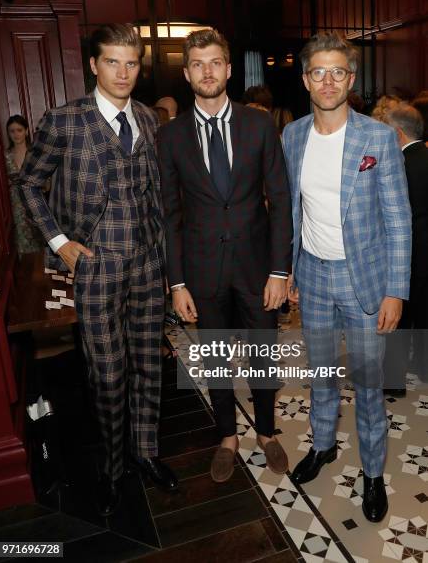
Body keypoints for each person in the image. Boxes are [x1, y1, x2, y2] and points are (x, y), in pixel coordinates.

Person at [20, 23, 177, 517]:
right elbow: (28, 184)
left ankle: (146, 452)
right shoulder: (63, 121)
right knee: (108, 375)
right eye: (113, 61)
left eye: (131, 63)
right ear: (93, 65)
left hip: (148, 263)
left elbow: (153, 195)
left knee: (149, 365)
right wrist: (60, 241)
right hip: (95, 265)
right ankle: (112, 470)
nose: (124, 72)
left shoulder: (150, 119)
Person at [283, 32, 411, 523]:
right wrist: (291, 268)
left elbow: (399, 219)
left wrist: (395, 291)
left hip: (365, 282)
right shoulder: (292, 136)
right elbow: (293, 211)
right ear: (305, 80)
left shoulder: (377, 137)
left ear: (351, 79)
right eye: (319, 71)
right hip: (312, 275)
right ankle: (321, 447)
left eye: (339, 71)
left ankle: (374, 473)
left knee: (369, 383)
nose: (329, 80)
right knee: (320, 376)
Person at [158, 28, 292, 483]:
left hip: (258, 270)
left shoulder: (258, 125)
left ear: (229, 68)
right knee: (214, 357)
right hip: (200, 272)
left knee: (262, 355)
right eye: (198, 64)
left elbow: (281, 201)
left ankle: (268, 432)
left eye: (215, 62)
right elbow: (169, 214)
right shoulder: (171, 136)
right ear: (187, 73)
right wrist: (177, 283)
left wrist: (280, 270)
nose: (207, 71)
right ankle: (227, 437)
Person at [384, 103, 428, 389]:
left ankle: (393, 380)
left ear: (397, 133)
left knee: (396, 315)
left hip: (408, 251)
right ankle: (423, 367)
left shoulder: (399, 165)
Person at [5, 115, 44, 255]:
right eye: (12, 131)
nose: (16, 134)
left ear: (26, 131)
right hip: (15, 206)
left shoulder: (36, 153)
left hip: (36, 202)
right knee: (21, 241)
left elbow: (47, 179)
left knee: (41, 241)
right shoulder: (5, 156)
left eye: (19, 130)